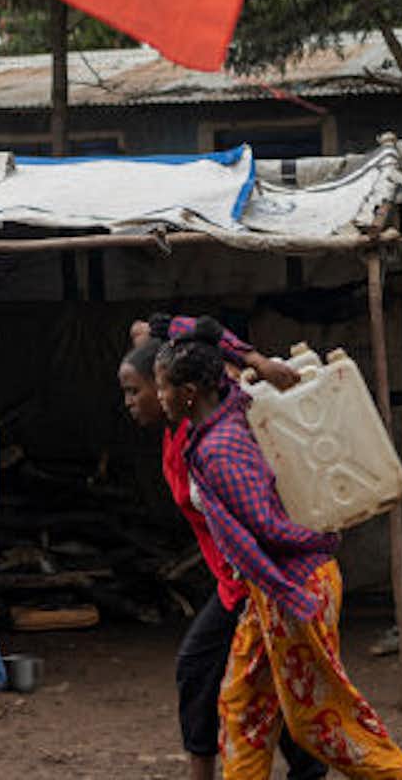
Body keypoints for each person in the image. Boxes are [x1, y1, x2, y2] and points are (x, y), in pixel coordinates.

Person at [157, 338, 402, 780]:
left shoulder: (219, 449)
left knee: (320, 722)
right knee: (243, 705)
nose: (158, 394)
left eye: (163, 386)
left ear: (188, 392)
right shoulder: (226, 419)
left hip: (295, 585)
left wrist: (319, 542)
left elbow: (266, 526)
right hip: (270, 591)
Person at [118, 333, 325, 780]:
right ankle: (306, 770)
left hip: (253, 578)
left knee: (204, 669)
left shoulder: (212, 440)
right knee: (265, 681)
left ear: (172, 387)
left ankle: (210, 772)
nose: (130, 402)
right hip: (232, 579)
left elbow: (258, 522)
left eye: (137, 390)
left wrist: (254, 361)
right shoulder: (177, 438)